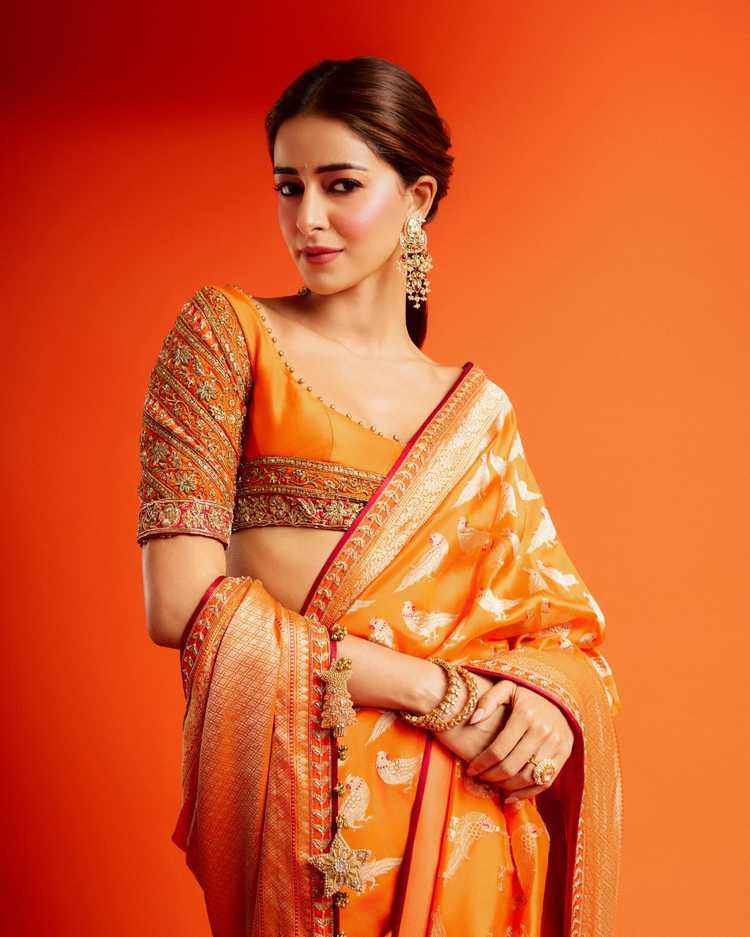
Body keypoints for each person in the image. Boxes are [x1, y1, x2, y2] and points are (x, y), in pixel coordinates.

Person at [136, 56, 623, 937]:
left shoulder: (477, 413)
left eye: (341, 185)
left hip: (465, 833)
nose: (307, 219)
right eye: (289, 187)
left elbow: (561, 634)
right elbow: (182, 604)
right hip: (304, 813)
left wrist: (547, 709)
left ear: (417, 197)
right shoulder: (227, 336)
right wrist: (440, 694)